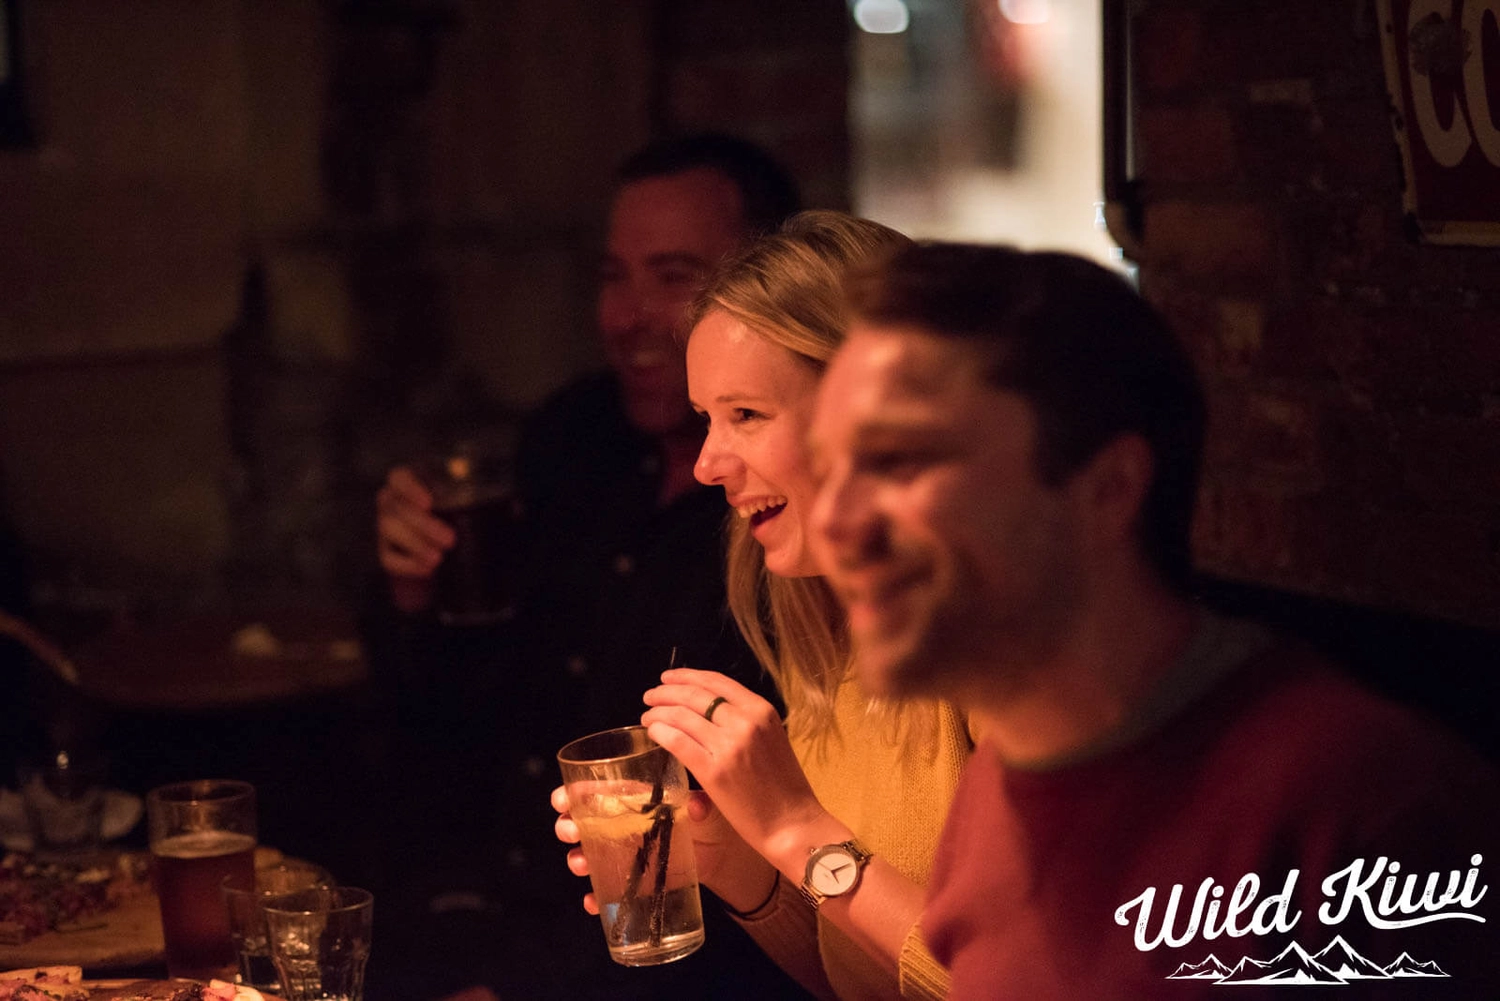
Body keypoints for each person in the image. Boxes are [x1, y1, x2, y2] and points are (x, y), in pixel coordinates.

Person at [806, 243, 1500, 999]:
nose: (832, 521)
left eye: (899, 459)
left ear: (1108, 488)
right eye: (824, 468)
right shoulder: (999, 776)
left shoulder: (1357, 799)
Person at [368, 134, 809, 1001]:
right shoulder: (572, 435)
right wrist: (415, 594)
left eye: (673, 275)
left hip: (657, 970)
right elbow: (462, 723)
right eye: (613, 276)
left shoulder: (783, 518)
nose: (627, 316)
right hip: (475, 917)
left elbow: (730, 879)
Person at [555, 212, 971, 1000]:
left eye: (746, 414)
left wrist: (796, 827)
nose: (708, 464)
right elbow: (857, 976)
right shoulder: (836, 634)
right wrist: (736, 863)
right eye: (706, 419)